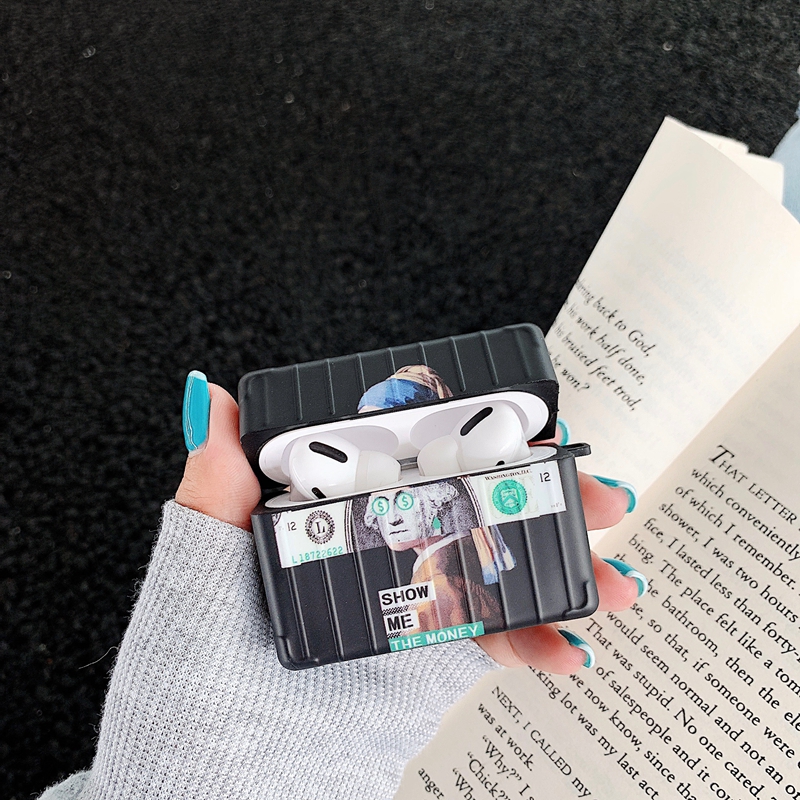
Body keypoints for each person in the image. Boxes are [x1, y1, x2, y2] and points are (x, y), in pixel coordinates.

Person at [39, 375, 644, 799]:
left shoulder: (440, 572)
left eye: (402, 501)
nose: (389, 515)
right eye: (380, 505)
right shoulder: (442, 566)